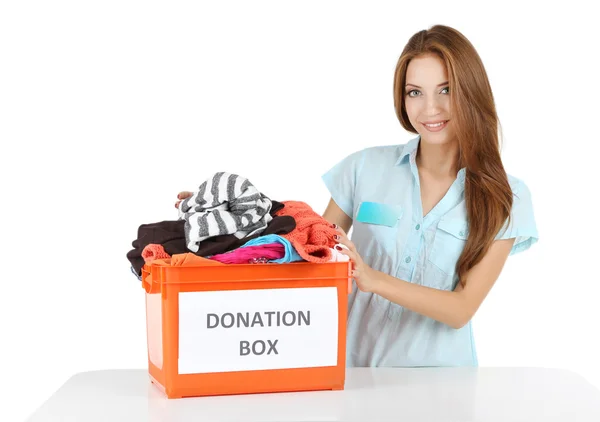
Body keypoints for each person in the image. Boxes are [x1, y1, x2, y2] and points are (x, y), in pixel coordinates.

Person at [176, 25, 539, 368]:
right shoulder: (362, 168)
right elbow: (309, 248)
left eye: (445, 90)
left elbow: (462, 308)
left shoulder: (507, 196)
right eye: (415, 92)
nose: (430, 108)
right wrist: (237, 212)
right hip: (352, 372)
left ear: (471, 92)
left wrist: (373, 278)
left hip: (442, 386)